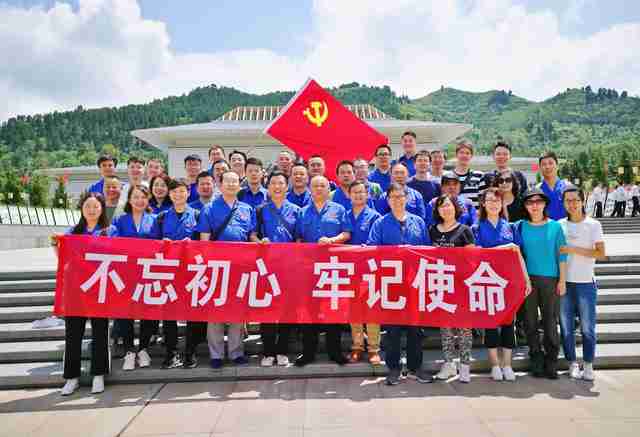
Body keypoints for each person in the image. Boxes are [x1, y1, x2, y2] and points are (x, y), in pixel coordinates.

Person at [367, 183, 432, 385]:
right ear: (388, 200)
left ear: (407, 198)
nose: (397, 200)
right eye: (393, 197)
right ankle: (393, 368)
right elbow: (372, 248)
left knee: (415, 329)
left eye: (400, 196)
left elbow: (427, 250)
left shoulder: (418, 222)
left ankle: (415, 367)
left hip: (414, 282)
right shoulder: (380, 223)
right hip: (391, 282)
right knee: (392, 330)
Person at [51, 192, 112, 395]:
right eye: (88, 206)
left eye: (96, 206)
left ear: (102, 209)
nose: (92, 210)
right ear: (82, 209)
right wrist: (55, 245)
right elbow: (63, 258)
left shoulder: (110, 231)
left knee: (100, 333)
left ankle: (98, 375)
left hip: (100, 288)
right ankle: (72, 377)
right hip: (75, 289)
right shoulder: (73, 231)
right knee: (73, 334)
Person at [197, 171, 255, 369]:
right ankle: (216, 355)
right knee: (215, 313)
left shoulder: (247, 209)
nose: (231, 184)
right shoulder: (209, 208)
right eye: (227, 181)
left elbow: (251, 236)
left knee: (237, 312)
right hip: (217, 267)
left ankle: (236, 352)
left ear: (239, 185)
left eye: (235, 181)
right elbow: (204, 241)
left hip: (240, 267)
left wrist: (260, 242)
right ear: (220, 185)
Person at [472, 188, 531, 382]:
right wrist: (505, 247)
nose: (493, 204)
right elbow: (479, 254)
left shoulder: (511, 227)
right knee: (490, 324)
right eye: (489, 200)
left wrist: (526, 279)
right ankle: (494, 365)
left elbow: (518, 254)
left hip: (509, 281)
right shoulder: (476, 228)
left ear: (502, 204)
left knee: (508, 324)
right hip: (487, 281)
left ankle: (507, 364)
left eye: (497, 200)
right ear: (483, 203)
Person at [295, 175, 351, 366]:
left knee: (333, 311)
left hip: (332, 268)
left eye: (323, 186)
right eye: (315, 186)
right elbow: (298, 238)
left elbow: (347, 233)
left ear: (329, 189)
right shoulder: (302, 212)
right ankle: (308, 353)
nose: (319, 189)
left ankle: (335, 352)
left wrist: (332, 240)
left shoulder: (339, 209)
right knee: (309, 312)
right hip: (308, 269)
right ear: (310, 189)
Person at [149, 179, 201, 369]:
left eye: (181, 191)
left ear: (188, 192)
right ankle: (171, 352)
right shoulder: (161, 217)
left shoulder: (197, 214)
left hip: (191, 272)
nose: (178, 195)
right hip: (168, 272)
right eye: (174, 192)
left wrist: (192, 245)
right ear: (169, 195)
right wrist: (162, 244)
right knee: (168, 314)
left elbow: (205, 243)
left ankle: (190, 351)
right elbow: (151, 244)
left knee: (192, 314)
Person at [250, 170, 300, 367]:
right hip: (266, 267)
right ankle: (268, 351)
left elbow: (299, 238)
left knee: (287, 310)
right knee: (267, 310)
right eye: (273, 183)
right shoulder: (260, 210)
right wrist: (259, 241)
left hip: (289, 267)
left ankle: (282, 351)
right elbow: (252, 234)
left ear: (287, 187)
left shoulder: (296, 210)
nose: (277, 187)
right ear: (268, 187)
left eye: (281, 183)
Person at [517, 188, 568, 379]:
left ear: (545, 204)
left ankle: (551, 360)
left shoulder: (555, 227)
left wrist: (562, 280)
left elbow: (562, 255)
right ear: (525, 206)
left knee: (550, 321)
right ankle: (536, 359)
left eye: (538, 202)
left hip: (551, 280)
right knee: (530, 321)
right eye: (530, 202)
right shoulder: (520, 226)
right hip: (527, 280)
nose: (535, 206)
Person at [559, 186, 606, 381]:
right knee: (566, 327)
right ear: (563, 203)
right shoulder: (559, 225)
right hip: (564, 283)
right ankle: (572, 363)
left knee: (587, 327)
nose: (572, 204)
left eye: (575, 200)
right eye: (568, 200)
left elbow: (601, 253)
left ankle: (588, 364)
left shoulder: (593, 225)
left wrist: (573, 249)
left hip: (586, 283)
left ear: (582, 201)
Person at [110, 185, 157, 371]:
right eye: (136, 197)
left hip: (148, 273)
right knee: (125, 313)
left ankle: (144, 349)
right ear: (129, 200)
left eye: (143, 197)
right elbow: (113, 243)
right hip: (126, 273)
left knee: (148, 312)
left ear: (148, 200)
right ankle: (129, 350)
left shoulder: (154, 219)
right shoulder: (120, 220)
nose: (139, 200)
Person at [429, 194, 476, 383]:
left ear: (455, 208)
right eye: (441, 206)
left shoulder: (465, 230)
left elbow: (472, 259)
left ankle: (465, 366)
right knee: (445, 328)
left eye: (448, 205)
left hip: (461, 284)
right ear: (437, 211)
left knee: (464, 328)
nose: (445, 209)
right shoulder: (433, 230)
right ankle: (448, 364)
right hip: (441, 284)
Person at [345, 181, 382, 365]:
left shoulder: (375, 216)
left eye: (362, 192)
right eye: (355, 192)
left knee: (372, 308)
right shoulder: (344, 215)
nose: (358, 195)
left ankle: (374, 348)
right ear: (349, 195)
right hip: (349, 269)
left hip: (370, 269)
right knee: (354, 310)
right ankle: (357, 346)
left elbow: (377, 242)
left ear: (367, 194)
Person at [453, 140, 486, 207]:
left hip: (474, 213)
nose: (464, 155)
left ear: (471, 156)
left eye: (467, 153)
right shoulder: (448, 176)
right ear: (456, 155)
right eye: (461, 152)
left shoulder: (479, 176)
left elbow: (483, 200)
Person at [536, 151, 568, 220]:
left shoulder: (567, 187)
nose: (547, 167)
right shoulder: (537, 190)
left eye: (550, 163)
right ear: (540, 168)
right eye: (544, 164)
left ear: (557, 166)